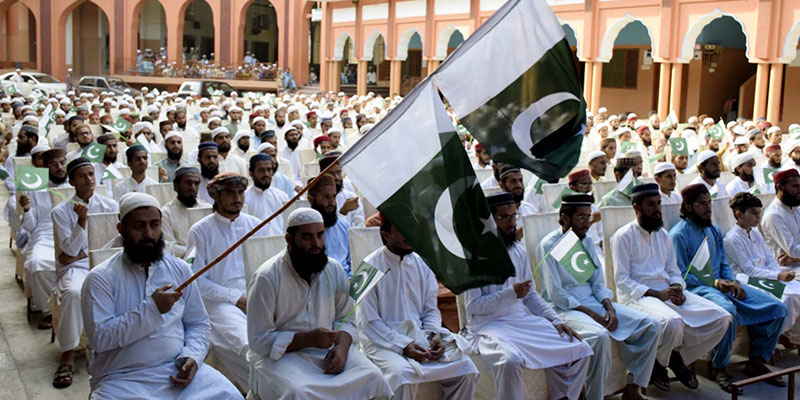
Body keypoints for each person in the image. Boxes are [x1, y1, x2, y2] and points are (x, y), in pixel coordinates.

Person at [80, 193, 240, 399]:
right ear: (122, 230)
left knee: (230, 395)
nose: (149, 234)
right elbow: (101, 339)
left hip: (176, 371)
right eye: (139, 226)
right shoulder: (100, 278)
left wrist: (192, 356)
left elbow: (198, 323)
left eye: (154, 225)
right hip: (122, 379)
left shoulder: (180, 269)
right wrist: (152, 309)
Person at [246, 207, 393, 399]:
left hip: (329, 351)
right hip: (282, 357)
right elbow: (259, 340)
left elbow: (346, 319)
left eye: (320, 235)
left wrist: (341, 348)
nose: (316, 244)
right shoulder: (267, 277)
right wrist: (307, 339)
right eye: (307, 237)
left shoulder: (333, 269)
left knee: (374, 377)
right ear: (290, 240)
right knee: (298, 393)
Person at [463, 192, 592, 399]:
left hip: (520, 321)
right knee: (510, 361)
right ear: (488, 221)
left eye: (513, 216)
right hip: (488, 326)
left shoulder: (518, 250)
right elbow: (473, 307)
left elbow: (530, 296)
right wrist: (510, 293)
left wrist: (555, 320)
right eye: (503, 218)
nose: (511, 223)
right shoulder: (475, 256)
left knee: (579, 348)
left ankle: (563, 396)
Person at [537, 194, 659, 400]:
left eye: (588, 217)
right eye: (581, 217)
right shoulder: (549, 245)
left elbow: (597, 283)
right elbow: (556, 294)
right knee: (600, 336)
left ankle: (633, 386)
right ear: (564, 218)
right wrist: (594, 315)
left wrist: (609, 308)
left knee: (650, 325)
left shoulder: (585, 241)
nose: (587, 223)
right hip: (566, 308)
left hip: (593, 302)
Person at [612, 183, 732, 392]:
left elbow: (674, 270)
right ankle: (670, 361)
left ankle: (670, 357)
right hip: (638, 296)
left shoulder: (663, 235)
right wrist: (657, 293)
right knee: (673, 323)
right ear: (636, 207)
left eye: (659, 203)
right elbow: (621, 280)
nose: (657, 209)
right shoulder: (623, 236)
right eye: (651, 205)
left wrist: (677, 287)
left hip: (667, 291)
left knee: (721, 318)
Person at [670, 184, 788, 393]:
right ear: (688, 207)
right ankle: (720, 367)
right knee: (729, 312)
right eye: (702, 204)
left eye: (709, 203)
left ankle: (757, 360)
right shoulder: (678, 235)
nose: (708, 208)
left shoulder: (713, 229)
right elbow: (681, 275)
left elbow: (723, 263)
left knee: (778, 309)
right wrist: (716, 284)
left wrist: (732, 282)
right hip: (698, 289)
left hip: (725, 284)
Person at [356, 215, 479, 399]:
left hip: (420, 336)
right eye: (403, 229)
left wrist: (434, 334)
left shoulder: (422, 263)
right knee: (402, 376)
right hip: (382, 342)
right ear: (386, 234)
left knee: (466, 369)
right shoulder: (367, 268)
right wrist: (404, 345)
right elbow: (369, 323)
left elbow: (430, 309)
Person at [185, 172, 267, 392]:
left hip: (257, 295)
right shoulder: (200, 230)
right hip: (219, 303)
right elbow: (196, 281)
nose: (237, 198)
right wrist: (235, 298)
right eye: (230, 193)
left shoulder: (256, 225)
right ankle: (260, 392)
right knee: (248, 346)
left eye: (240, 192)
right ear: (216, 197)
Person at [51, 157, 119, 388]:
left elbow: (113, 244)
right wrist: (81, 222)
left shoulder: (110, 205)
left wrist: (82, 253)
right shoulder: (60, 211)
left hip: (107, 263)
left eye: (91, 174)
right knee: (72, 292)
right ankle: (68, 355)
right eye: (82, 175)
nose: (89, 179)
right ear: (72, 181)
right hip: (76, 268)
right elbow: (66, 253)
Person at [725, 192, 800, 346]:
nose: (758, 217)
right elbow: (749, 271)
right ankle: (771, 338)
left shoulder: (755, 233)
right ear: (739, 214)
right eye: (753, 213)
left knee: (798, 291)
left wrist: (779, 273)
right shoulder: (732, 239)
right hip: (747, 280)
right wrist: (778, 277)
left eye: (759, 212)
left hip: (768, 275)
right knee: (788, 298)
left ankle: (793, 337)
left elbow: (770, 260)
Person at [19, 149, 71, 330]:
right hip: (45, 235)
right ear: (44, 167)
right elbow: (29, 226)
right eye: (54, 164)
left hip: (73, 235)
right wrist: (26, 209)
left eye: (62, 163)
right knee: (36, 264)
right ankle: (49, 312)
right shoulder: (35, 189)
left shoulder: (75, 185)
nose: (59, 168)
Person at [307, 173, 352, 276]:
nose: (332, 202)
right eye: (326, 197)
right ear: (311, 199)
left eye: (334, 196)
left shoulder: (345, 226)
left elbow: (351, 262)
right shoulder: (305, 231)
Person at [161, 167, 210, 258]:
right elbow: (169, 246)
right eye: (188, 183)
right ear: (176, 186)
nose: (192, 187)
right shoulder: (166, 213)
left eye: (196, 183)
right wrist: (196, 251)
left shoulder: (207, 209)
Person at [761, 169, 800, 270]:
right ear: (780, 187)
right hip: (790, 270)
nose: (799, 190)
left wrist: (796, 258)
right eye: (795, 186)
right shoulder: (773, 215)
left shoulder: (797, 208)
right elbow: (793, 251)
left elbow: (795, 254)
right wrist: (795, 257)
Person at [245, 154, 288, 234]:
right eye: (261, 170)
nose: (266, 174)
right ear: (251, 174)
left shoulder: (282, 196)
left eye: (269, 170)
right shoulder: (244, 197)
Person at [319, 154, 365, 227]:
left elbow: (360, 226)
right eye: (331, 173)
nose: (337, 177)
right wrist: (343, 212)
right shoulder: (318, 199)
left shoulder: (351, 197)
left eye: (338, 172)